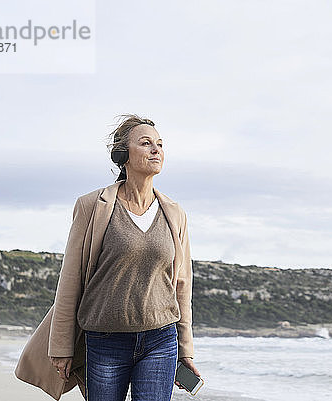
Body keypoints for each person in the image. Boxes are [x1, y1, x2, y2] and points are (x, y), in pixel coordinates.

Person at [20, 114, 200, 401]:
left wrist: (185, 348)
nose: (156, 150)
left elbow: (181, 285)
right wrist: (62, 345)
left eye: (160, 144)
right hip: (105, 340)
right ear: (123, 154)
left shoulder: (174, 213)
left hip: (161, 340)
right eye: (146, 143)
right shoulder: (93, 206)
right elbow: (70, 280)